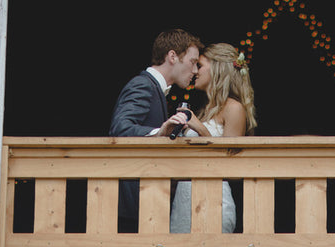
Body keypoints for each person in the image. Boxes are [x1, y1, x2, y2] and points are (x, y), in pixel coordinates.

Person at [110, 28, 203, 231]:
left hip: (146, 202)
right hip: (133, 203)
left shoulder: (154, 89)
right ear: (172, 56)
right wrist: (159, 133)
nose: (196, 70)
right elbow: (120, 129)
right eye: (193, 62)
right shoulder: (142, 85)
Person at [170, 42, 257, 234]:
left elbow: (229, 164)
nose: (195, 71)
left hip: (213, 199)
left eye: (200, 66)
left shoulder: (234, 108)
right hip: (184, 198)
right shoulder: (206, 110)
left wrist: (200, 129)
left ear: (217, 69)